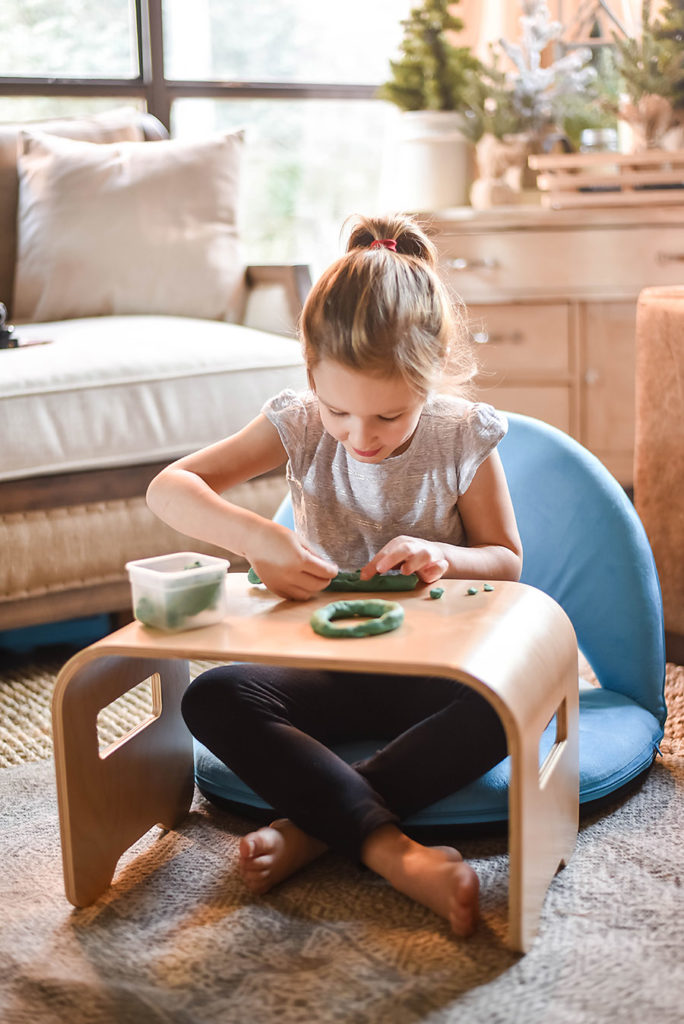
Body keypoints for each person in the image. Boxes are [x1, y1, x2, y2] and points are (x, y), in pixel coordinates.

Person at [146, 214, 523, 937]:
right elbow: (171, 487)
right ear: (310, 372)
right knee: (217, 696)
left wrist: (445, 558)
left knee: (508, 705)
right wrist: (261, 537)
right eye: (339, 409)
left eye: (390, 413)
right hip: (331, 667)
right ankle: (392, 851)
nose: (361, 436)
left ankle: (316, 831)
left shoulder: (461, 435)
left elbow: (506, 557)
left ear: (431, 374)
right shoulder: (298, 425)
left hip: (435, 669)